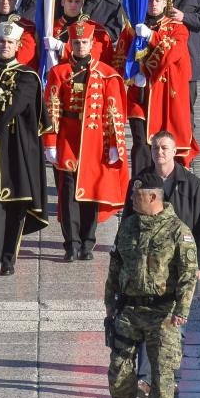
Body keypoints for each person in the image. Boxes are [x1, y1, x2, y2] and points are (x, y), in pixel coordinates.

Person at [103, 170, 199, 398]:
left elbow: (189, 273)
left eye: (137, 195)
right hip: (129, 310)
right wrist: (109, 301)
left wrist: (182, 309)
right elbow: (115, 265)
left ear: (154, 196)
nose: (132, 199)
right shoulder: (128, 226)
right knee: (119, 367)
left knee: (162, 371)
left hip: (162, 313)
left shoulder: (178, 231)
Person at [44, 21, 131, 261]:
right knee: (68, 191)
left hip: (95, 141)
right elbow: (51, 109)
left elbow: (114, 111)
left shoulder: (106, 74)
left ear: (92, 44)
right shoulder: (58, 72)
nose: (80, 46)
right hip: (68, 138)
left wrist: (115, 143)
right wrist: (50, 142)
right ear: (70, 44)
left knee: (91, 191)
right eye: (76, 42)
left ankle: (88, 241)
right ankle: (71, 243)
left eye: (84, 42)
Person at [0, 20, 48, 275]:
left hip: (16, 151)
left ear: (18, 46)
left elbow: (13, 105)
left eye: (10, 43)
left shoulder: (27, 77)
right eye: (1, 42)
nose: (5, 46)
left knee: (16, 206)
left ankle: (8, 260)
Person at [120, 0, 197, 171]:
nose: (153, 4)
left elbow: (172, 52)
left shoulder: (177, 28)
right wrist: (130, 75)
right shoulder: (133, 28)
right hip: (139, 95)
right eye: (150, 1)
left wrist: (151, 37)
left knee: (164, 140)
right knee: (140, 141)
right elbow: (120, 57)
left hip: (164, 96)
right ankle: (140, 181)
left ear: (165, 3)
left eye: (157, 0)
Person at [143, 131, 200, 278]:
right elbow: (127, 222)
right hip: (149, 260)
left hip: (182, 258)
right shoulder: (141, 182)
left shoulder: (192, 184)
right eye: (155, 148)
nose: (159, 151)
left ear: (174, 151)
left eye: (164, 148)